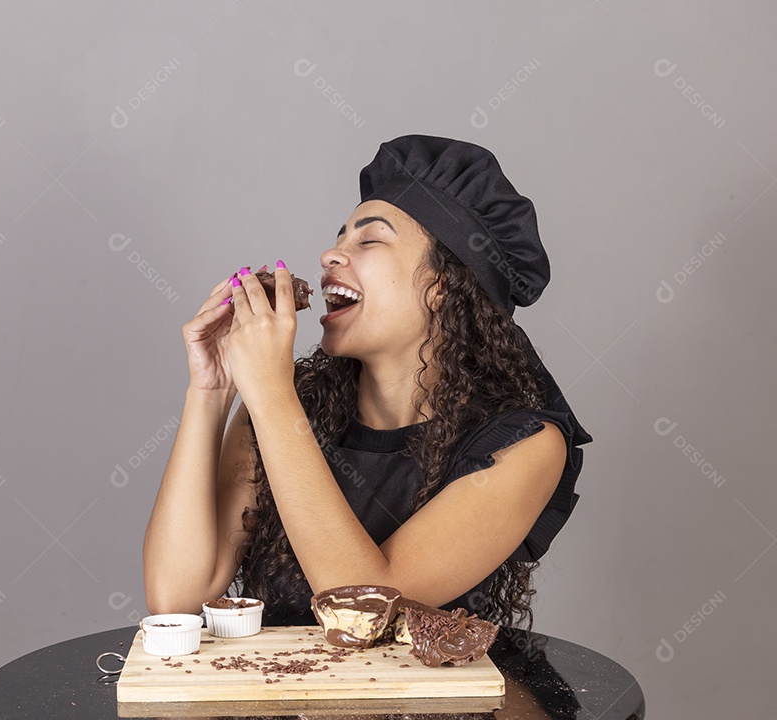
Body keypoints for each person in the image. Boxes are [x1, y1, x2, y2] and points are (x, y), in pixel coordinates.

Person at [143, 134, 592, 630]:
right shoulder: (289, 406)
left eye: (369, 239)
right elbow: (174, 597)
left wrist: (270, 396)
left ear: (443, 285)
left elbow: (361, 606)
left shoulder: (524, 448)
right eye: (339, 237)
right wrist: (211, 391)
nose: (330, 255)